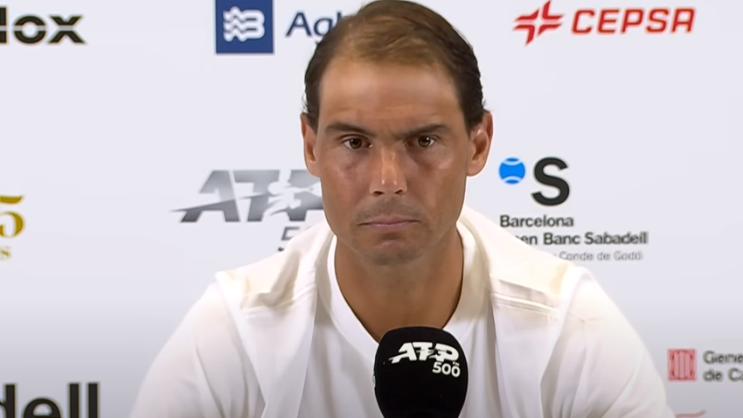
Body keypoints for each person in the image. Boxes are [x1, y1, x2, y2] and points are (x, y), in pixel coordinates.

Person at [129, 1, 676, 417]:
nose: (388, 182)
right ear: (311, 147)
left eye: (423, 142)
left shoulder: (569, 329)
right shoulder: (235, 332)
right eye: (354, 143)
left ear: (479, 144)